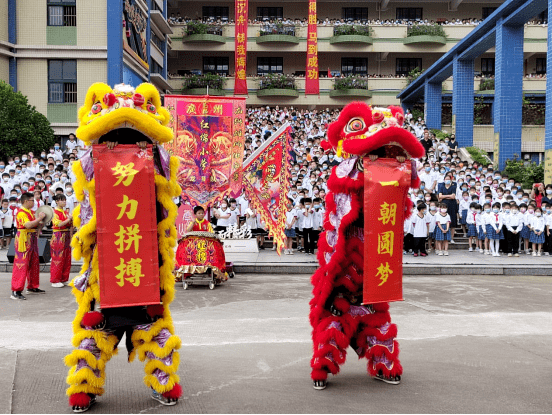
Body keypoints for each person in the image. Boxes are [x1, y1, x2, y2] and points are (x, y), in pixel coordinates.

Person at [11, 192, 46, 300]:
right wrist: (39, 219)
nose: (34, 202)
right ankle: (16, 290)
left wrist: (41, 222)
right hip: (23, 239)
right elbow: (28, 225)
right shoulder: (21, 213)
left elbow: (36, 225)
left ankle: (32, 286)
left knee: (34, 263)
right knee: (21, 264)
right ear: (26, 201)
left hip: (32, 238)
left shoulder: (31, 212)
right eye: (32, 200)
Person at [50, 194, 73, 287]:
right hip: (58, 235)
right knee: (57, 257)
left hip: (66, 235)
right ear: (56, 201)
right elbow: (58, 224)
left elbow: (71, 224)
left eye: (64, 200)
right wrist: (69, 219)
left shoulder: (66, 212)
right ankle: (55, 280)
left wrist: (71, 236)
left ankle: (63, 278)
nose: (64, 202)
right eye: (61, 200)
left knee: (67, 258)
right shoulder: (55, 213)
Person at [437, 173, 458, 243]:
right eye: (446, 179)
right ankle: (443, 237)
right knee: (443, 220)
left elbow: (453, 197)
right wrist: (449, 196)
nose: (447, 180)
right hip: (444, 205)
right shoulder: (441, 187)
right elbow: (440, 196)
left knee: (452, 221)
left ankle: (451, 238)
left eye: (449, 179)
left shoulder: (453, 187)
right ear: (444, 180)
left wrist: (444, 196)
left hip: (452, 205)